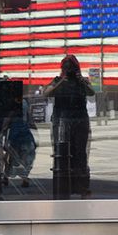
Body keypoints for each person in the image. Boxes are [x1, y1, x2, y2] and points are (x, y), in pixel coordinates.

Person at [43, 55, 94, 198]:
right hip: (62, 120)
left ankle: (82, 186)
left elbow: (91, 93)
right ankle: (65, 186)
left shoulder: (81, 81)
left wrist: (81, 81)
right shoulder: (58, 80)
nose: (69, 70)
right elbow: (46, 94)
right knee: (63, 153)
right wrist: (62, 81)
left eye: (71, 68)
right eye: (67, 68)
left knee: (80, 153)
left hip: (79, 120)